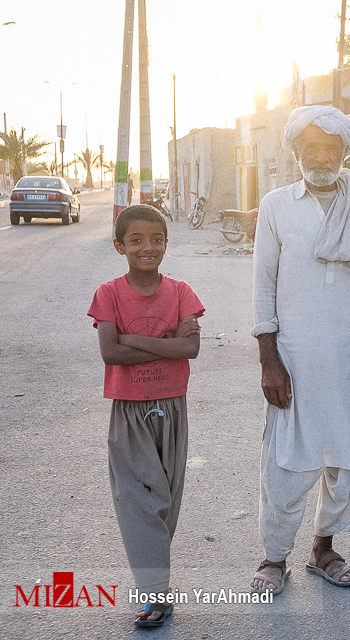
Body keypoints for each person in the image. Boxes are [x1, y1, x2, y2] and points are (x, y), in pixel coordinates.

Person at [249, 106, 350, 594]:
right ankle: (274, 557)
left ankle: (324, 547)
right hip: (295, 356)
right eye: (311, 146)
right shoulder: (275, 205)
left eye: (331, 147)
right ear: (295, 151)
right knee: (288, 459)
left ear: (344, 153)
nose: (321, 155)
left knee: (346, 456)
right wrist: (269, 360)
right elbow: (263, 285)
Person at [87, 204, 205, 627]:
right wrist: (164, 339)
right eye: (135, 240)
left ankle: (156, 585)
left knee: (166, 502)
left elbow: (190, 349)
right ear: (120, 246)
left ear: (167, 244)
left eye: (156, 239)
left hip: (173, 408)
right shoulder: (109, 294)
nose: (147, 247)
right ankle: (154, 595)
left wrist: (132, 337)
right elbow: (109, 352)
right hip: (129, 411)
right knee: (139, 501)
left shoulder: (180, 292)